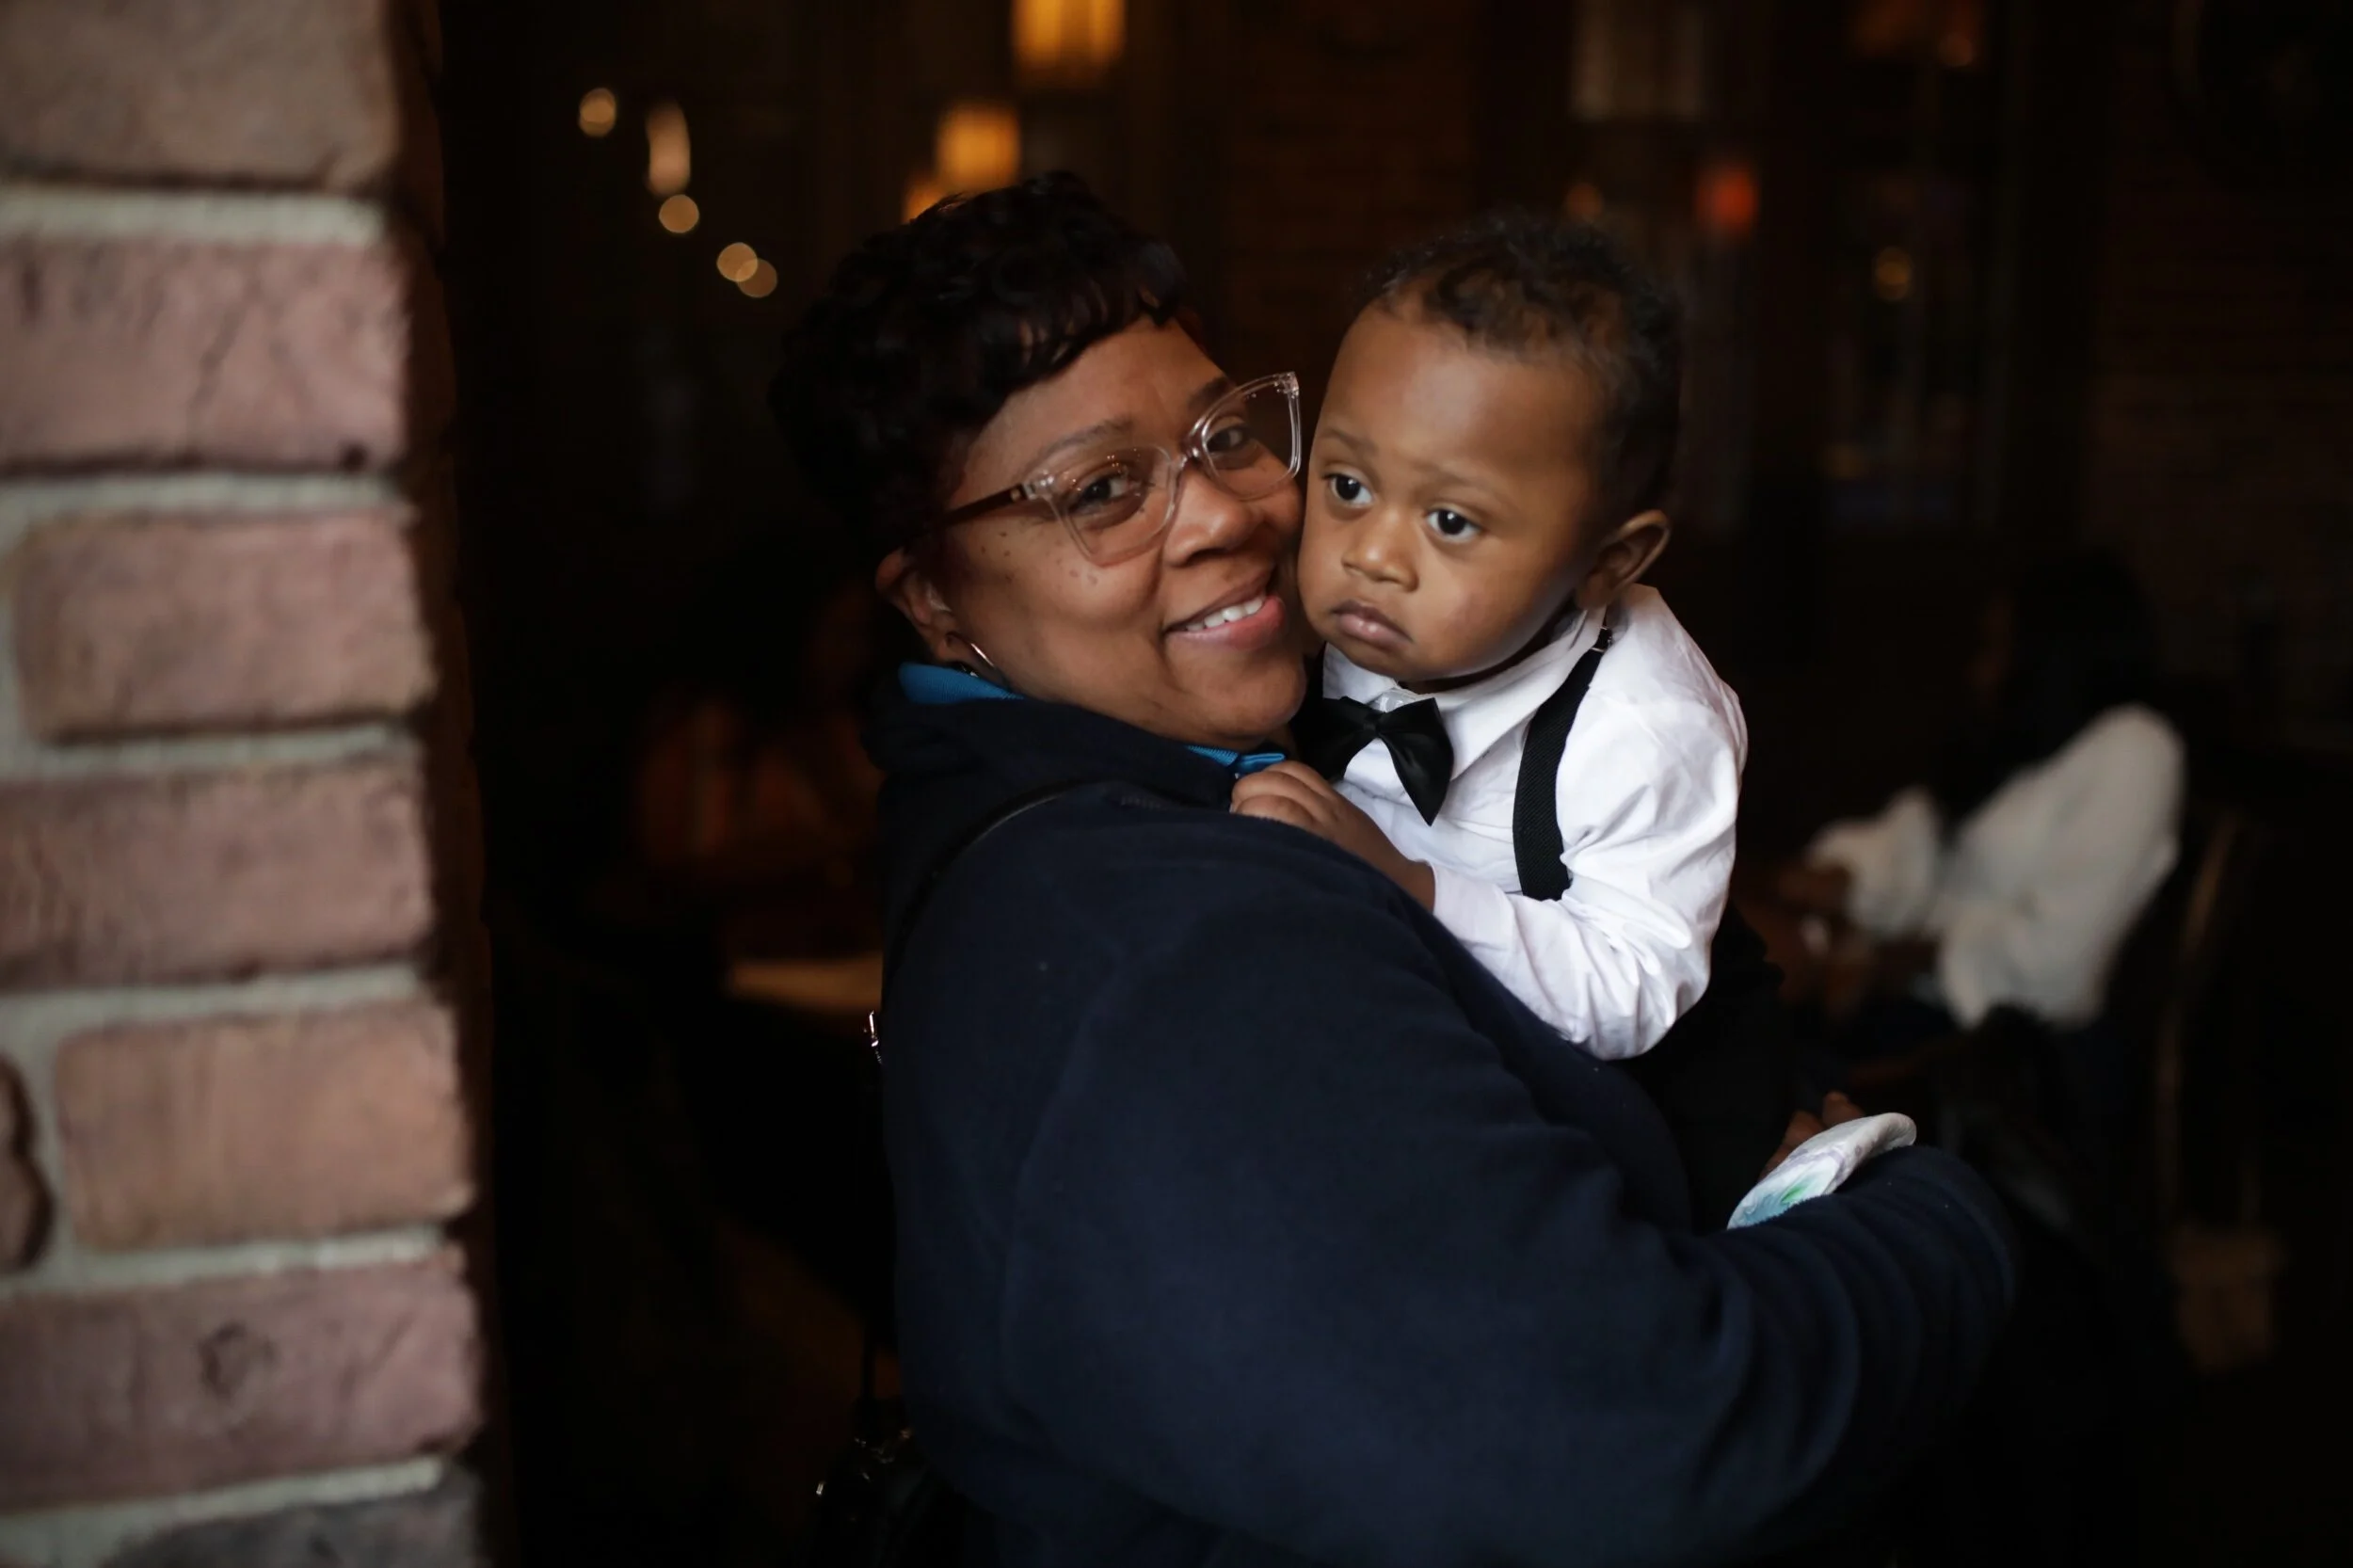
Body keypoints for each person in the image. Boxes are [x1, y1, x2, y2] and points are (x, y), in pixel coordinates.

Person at [773, 173, 2014, 1567]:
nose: (1225, 515)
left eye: (1226, 433)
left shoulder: (1187, 776)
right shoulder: (1173, 944)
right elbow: (1640, 1427)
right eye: (1103, 491)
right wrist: (1942, 1220)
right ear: (933, 595)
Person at [1774, 552, 2184, 1050]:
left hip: (2014, 1053)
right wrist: (1847, 874)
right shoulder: (2025, 746)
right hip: (1929, 1016)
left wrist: (1899, 959)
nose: (1982, 673)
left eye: (2002, 649)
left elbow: (2058, 966)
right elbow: (1923, 832)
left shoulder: (2134, 748)